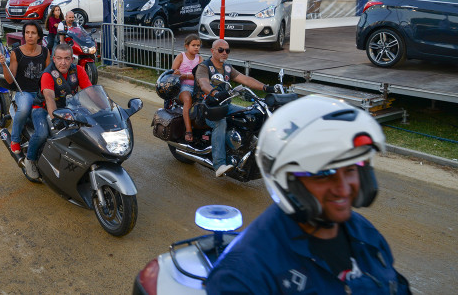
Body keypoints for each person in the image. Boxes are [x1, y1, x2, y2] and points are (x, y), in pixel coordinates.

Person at [206, 95, 410, 294]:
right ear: (289, 182)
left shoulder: (364, 231)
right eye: (324, 174)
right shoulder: (243, 274)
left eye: (351, 169)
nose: (344, 188)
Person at [194, 39, 276, 177]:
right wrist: (215, 93)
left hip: (225, 105)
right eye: (221, 50)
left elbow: (245, 79)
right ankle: (219, 164)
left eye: (227, 50)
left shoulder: (227, 68)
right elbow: (203, 84)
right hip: (205, 106)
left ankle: (245, 148)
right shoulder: (204, 67)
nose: (224, 53)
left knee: (251, 113)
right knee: (220, 122)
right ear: (212, 51)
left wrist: (266, 87)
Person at [25, 43, 93, 178]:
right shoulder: (48, 75)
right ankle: (30, 160)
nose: (63, 62)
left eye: (67, 58)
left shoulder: (78, 70)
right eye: (59, 58)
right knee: (42, 134)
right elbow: (49, 98)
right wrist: (55, 119)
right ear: (54, 59)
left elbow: (91, 92)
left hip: (69, 109)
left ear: (72, 59)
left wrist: (105, 108)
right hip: (43, 109)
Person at [0, 21, 50, 157]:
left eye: (33, 33)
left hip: (41, 93)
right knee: (25, 108)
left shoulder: (45, 51)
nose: (30, 36)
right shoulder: (16, 53)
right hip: (23, 92)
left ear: (39, 36)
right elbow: (10, 80)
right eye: (27, 33)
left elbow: (49, 74)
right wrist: (4, 65)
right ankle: (15, 139)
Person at [171, 34, 202, 143]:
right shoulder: (181, 56)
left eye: (198, 45)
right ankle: (188, 131)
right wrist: (178, 73)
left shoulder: (199, 59)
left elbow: (201, 76)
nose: (196, 47)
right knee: (188, 100)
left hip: (197, 87)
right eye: (193, 45)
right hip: (183, 87)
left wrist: (186, 75)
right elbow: (173, 72)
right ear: (186, 46)